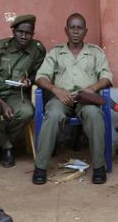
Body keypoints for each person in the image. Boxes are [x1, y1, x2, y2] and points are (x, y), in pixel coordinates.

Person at [33, 13, 113, 185]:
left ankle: (99, 167)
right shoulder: (55, 53)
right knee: (53, 115)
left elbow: (106, 77)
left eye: (80, 28)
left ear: (85, 31)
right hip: (61, 98)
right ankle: (40, 167)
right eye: (72, 27)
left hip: (86, 99)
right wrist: (56, 89)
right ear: (66, 30)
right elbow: (40, 77)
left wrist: (92, 88)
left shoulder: (95, 52)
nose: (76, 31)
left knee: (94, 115)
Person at [0, 14, 46, 168]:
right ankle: (7, 147)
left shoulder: (38, 50)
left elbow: (40, 74)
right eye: (20, 32)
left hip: (15, 94)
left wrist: (29, 81)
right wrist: (1, 103)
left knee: (26, 112)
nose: (24, 36)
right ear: (13, 31)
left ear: (33, 34)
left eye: (28, 33)